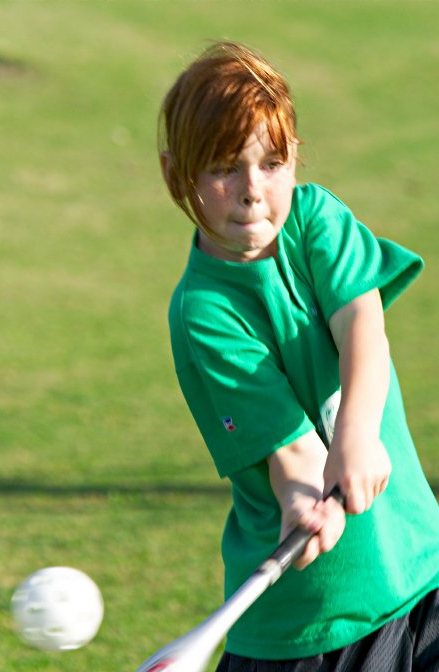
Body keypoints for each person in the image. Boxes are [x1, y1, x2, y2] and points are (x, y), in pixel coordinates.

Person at [158, 41, 439, 671]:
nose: (253, 192)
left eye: (273, 163)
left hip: (420, 562)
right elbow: (295, 460)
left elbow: (362, 323)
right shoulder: (203, 313)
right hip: (314, 627)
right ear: (177, 174)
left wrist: (359, 436)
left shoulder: (316, 220)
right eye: (225, 168)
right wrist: (303, 503)